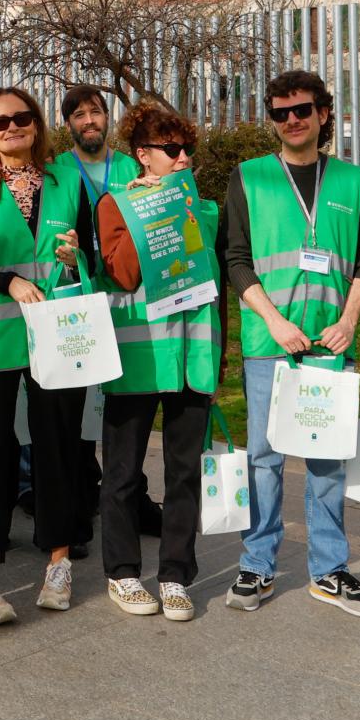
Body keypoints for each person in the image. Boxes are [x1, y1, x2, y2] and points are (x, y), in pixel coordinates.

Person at [223, 69, 360, 617]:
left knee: (327, 461)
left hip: (330, 345)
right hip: (272, 343)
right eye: (281, 112)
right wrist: (272, 322)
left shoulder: (353, 181)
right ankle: (257, 565)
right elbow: (236, 261)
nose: (292, 120)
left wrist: (349, 319)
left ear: (323, 114)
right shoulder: (249, 177)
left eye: (302, 110)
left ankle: (329, 570)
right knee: (264, 459)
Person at [0, 87, 95, 625]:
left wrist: (75, 260)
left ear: (37, 124)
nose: (12, 129)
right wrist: (2, 280)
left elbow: (90, 259)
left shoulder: (67, 180)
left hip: (56, 336)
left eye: (22, 119)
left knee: (59, 447)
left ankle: (57, 561)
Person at [93, 103, 226, 622]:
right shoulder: (116, 203)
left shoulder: (206, 207)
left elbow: (217, 289)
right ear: (143, 156)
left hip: (193, 357)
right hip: (138, 357)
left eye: (188, 149)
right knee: (123, 474)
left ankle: (175, 575)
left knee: (184, 472)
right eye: (172, 150)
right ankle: (123, 573)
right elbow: (123, 275)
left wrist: (218, 362)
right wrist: (161, 211)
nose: (184, 158)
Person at [52, 85, 148, 549]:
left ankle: (132, 497)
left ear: (107, 118)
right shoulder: (56, 172)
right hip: (77, 296)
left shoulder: (130, 168)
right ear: (67, 123)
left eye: (96, 112)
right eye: (79, 115)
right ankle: (78, 505)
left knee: (125, 403)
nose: (90, 121)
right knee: (78, 407)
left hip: (128, 297)